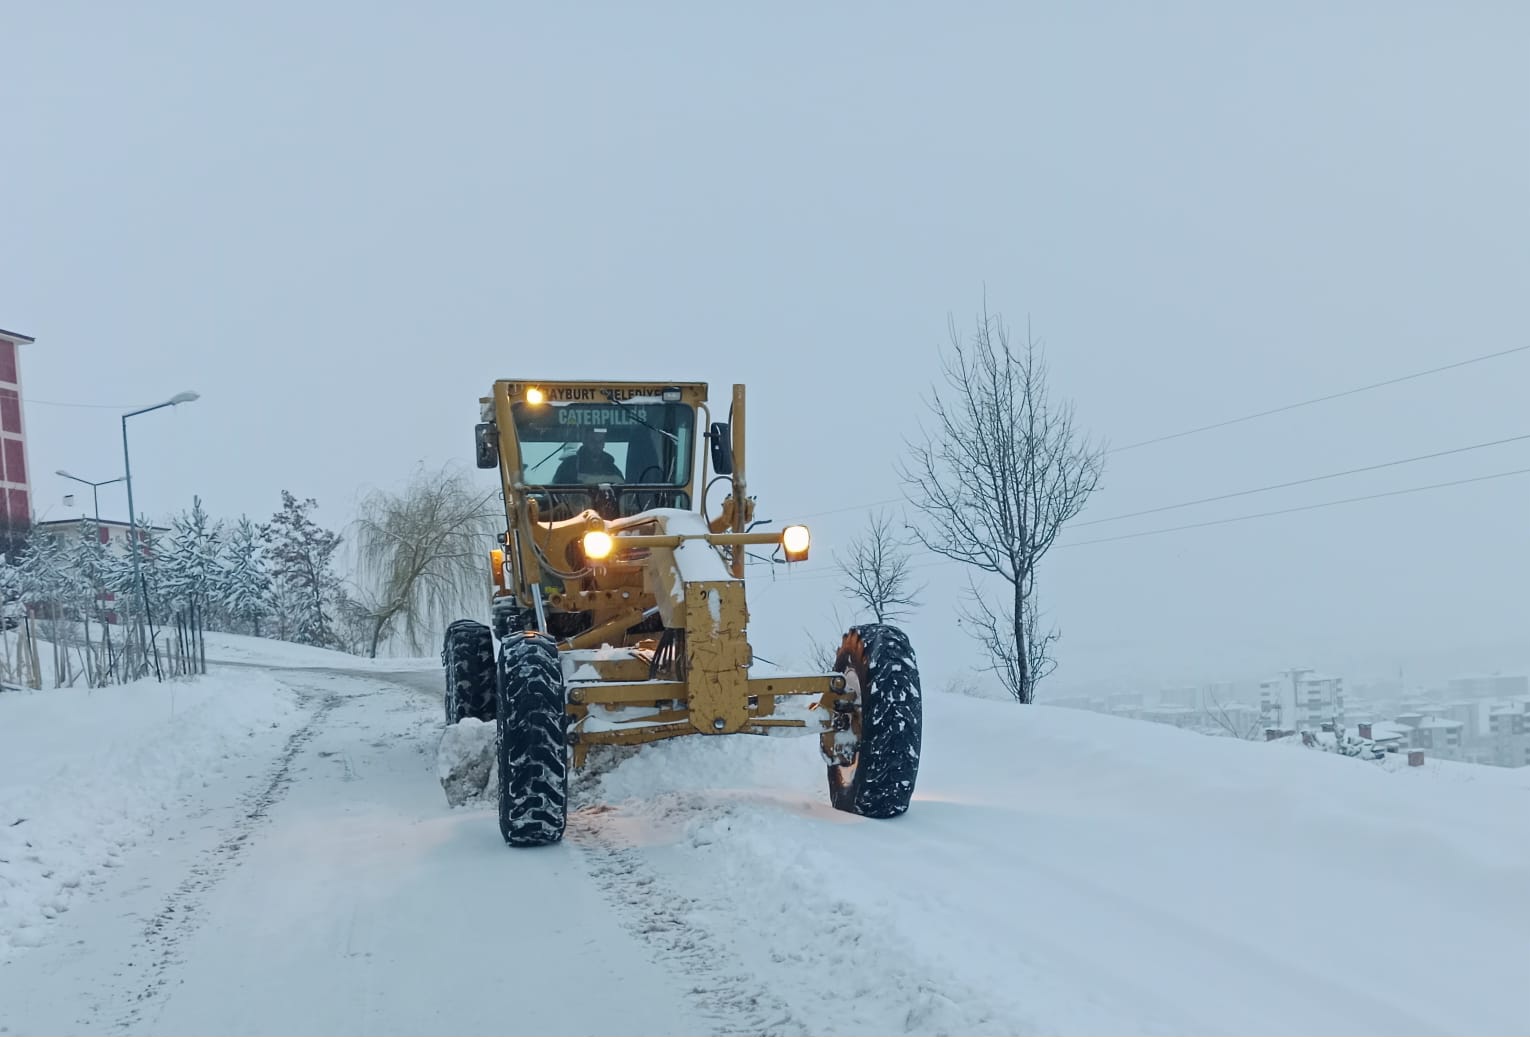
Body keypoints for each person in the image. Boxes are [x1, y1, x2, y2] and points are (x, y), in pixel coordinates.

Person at [554, 427, 623, 484]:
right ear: (584, 441)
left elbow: (623, 490)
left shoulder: (612, 468)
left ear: (604, 444)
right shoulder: (568, 466)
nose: (597, 445)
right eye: (592, 440)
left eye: (600, 441)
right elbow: (557, 491)